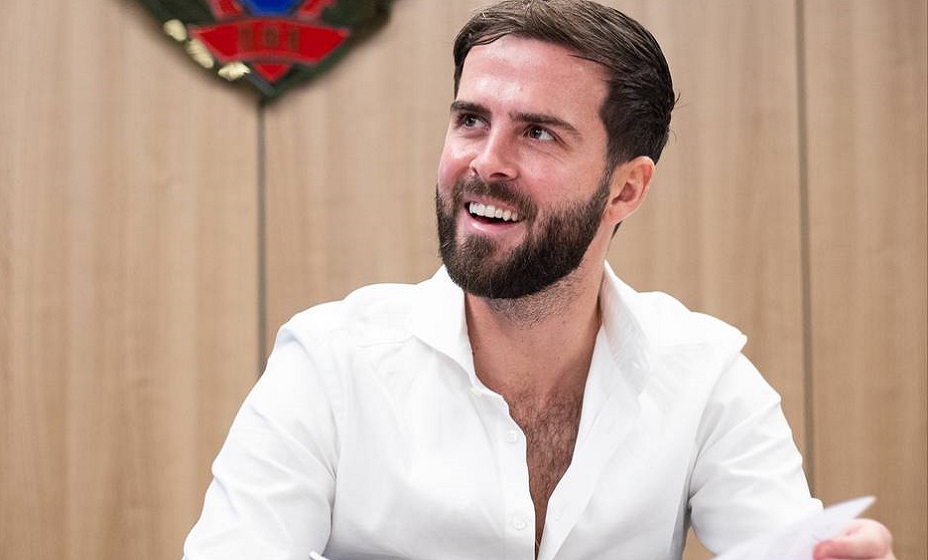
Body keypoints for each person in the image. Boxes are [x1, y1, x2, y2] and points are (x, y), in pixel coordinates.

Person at [183, 1, 896, 559]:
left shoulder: (705, 376)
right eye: (471, 120)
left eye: (538, 133)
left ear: (625, 189)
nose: (485, 162)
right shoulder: (328, 363)